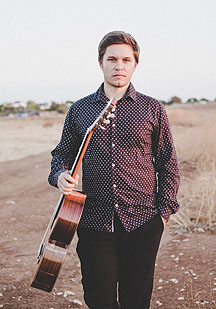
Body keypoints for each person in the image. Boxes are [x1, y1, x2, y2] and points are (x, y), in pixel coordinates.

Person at [48, 31, 180, 309]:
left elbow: (167, 163)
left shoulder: (151, 108)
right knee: (99, 299)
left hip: (143, 221)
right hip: (94, 220)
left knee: (136, 300)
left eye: (125, 59)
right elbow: (61, 154)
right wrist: (60, 174)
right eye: (112, 59)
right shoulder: (80, 109)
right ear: (101, 63)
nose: (119, 65)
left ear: (135, 64)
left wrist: (163, 215)